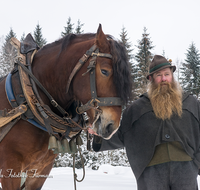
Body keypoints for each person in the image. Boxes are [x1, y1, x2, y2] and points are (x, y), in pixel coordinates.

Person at [88, 55, 200, 190]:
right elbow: (122, 136)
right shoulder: (136, 109)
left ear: (172, 76)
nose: (164, 79)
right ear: (151, 79)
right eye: (159, 75)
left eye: (167, 74)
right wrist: (99, 134)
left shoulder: (191, 103)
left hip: (186, 170)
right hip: (151, 172)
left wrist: (196, 164)